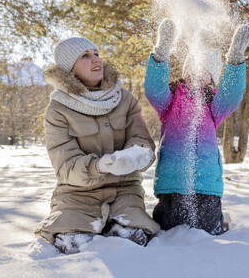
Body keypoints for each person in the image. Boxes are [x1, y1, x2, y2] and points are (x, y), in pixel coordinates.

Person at [35, 37, 160, 253]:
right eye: (85, 56)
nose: (96, 60)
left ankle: (118, 225)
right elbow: (65, 166)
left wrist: (135, 156)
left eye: (96, 53)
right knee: (71, 240)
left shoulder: (125, 99)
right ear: (69, 69)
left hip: (124, 189)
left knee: (134, 237)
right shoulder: (58, 109)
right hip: (77, 193)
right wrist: (100, 166)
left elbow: (142, 140)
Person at [144, 19, 249, 235]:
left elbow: (231, 96)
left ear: (212, 80)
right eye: (195, 68)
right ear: (185, 72)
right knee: (167, 233)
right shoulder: (170, 101)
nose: (199, 74)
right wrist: (160, 54)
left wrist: (235, 61)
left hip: (206, 185)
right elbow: (153, 89)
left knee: (205, 233)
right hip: (171, 184)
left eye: (206, 72)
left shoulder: (214, 105)